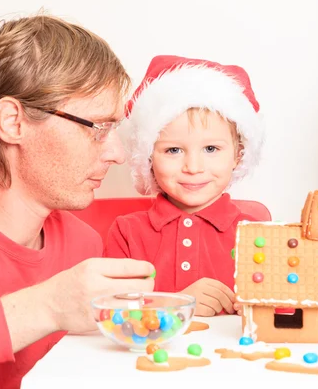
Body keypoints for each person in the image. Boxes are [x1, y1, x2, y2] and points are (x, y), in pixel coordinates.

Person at [0, 14, 155, 388]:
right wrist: (48, 305)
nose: (117, 154)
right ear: (13, 122)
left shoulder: (84, 246)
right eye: (98, 128)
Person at [104, 55, 265, 317]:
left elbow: (280, 312)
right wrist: (177, 304)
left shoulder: (256, 235)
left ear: (239, 155)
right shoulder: (127, 232)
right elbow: (109, 312)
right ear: (148, 157)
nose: (193, 167)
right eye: (174, 150)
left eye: (211, 148)